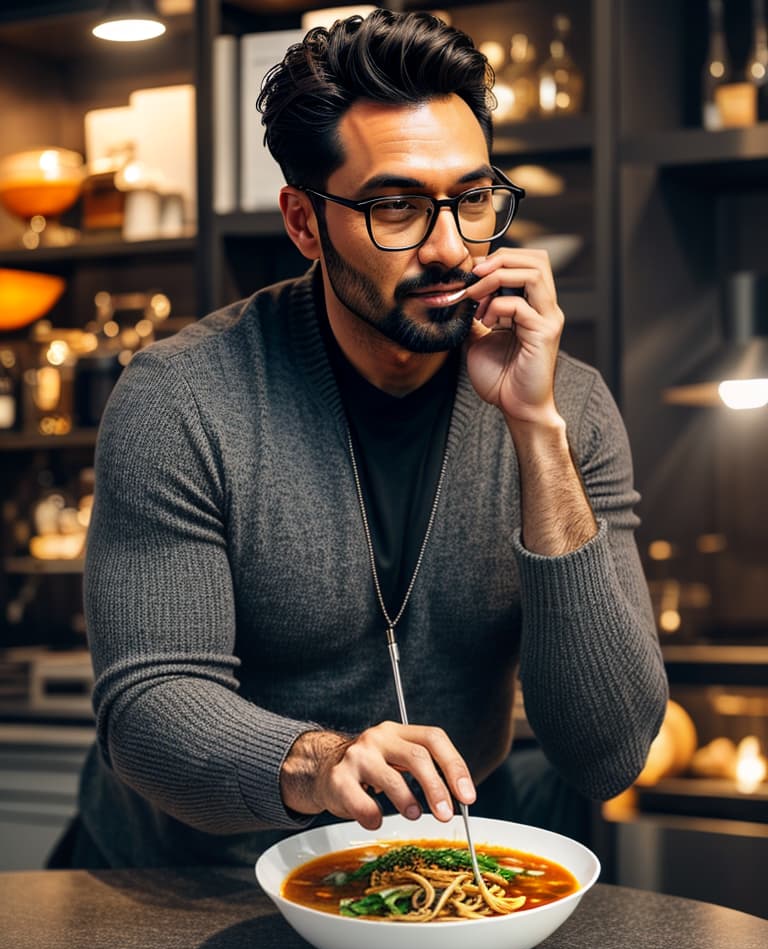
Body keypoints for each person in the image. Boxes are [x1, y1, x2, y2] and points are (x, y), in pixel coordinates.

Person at [51, 9, 667, 868]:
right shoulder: (182, 400)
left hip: (419, 880)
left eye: (473, 198)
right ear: (305, 224)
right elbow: (150, 704)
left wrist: (535, 430)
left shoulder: (573, 409)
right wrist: (321, 763)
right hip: (183, 891)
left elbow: (608, 753)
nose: (451, 247)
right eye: (397, 208)